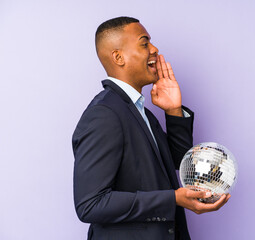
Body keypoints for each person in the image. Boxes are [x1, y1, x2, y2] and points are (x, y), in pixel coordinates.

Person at [72, 16, 230, 240]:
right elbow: (90, 204)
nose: (154, 49)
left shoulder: (140, 112)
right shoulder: (104, 114)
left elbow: (177, 164)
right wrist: (172, 199)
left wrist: (173, 110)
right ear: (118, 57)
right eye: (144, 43)